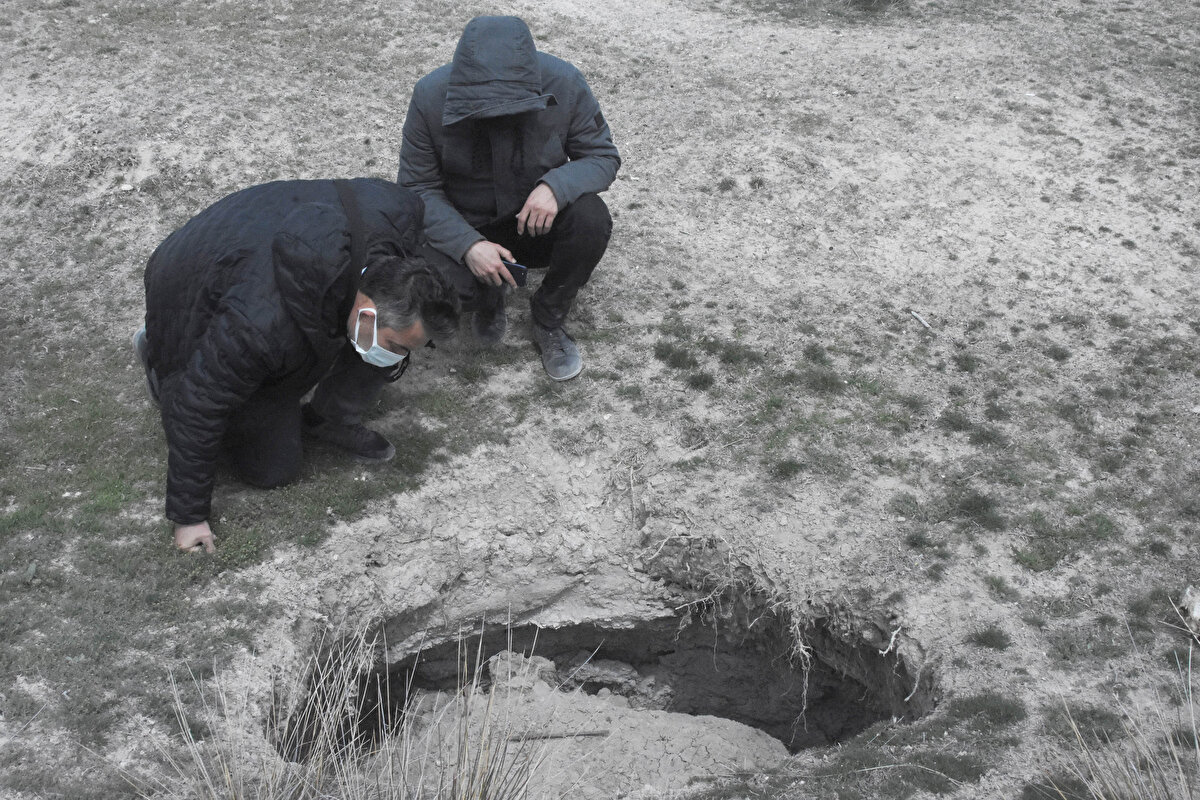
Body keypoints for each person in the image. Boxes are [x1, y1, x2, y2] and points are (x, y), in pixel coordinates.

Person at [136, 178, 460, 553]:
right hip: (185, 277)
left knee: (356, 353)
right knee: (272, 468)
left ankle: (328, 418)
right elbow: (200, 403)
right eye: (395, 345)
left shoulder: (400, 219)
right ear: (367, 312)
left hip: (264, 239)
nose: (398, 358)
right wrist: (189, 516)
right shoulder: (261, 326)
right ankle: (157, 354)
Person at [399, 15, 621, 381]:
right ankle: (487, 293)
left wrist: (555, 187)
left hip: (533, 224)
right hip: (465, 223)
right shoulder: (430, 96)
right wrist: (467, 244)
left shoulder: (564, 83)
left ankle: (548, 316)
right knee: (427, 284)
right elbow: (416, 188)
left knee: (590, 219)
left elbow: (602, 156)